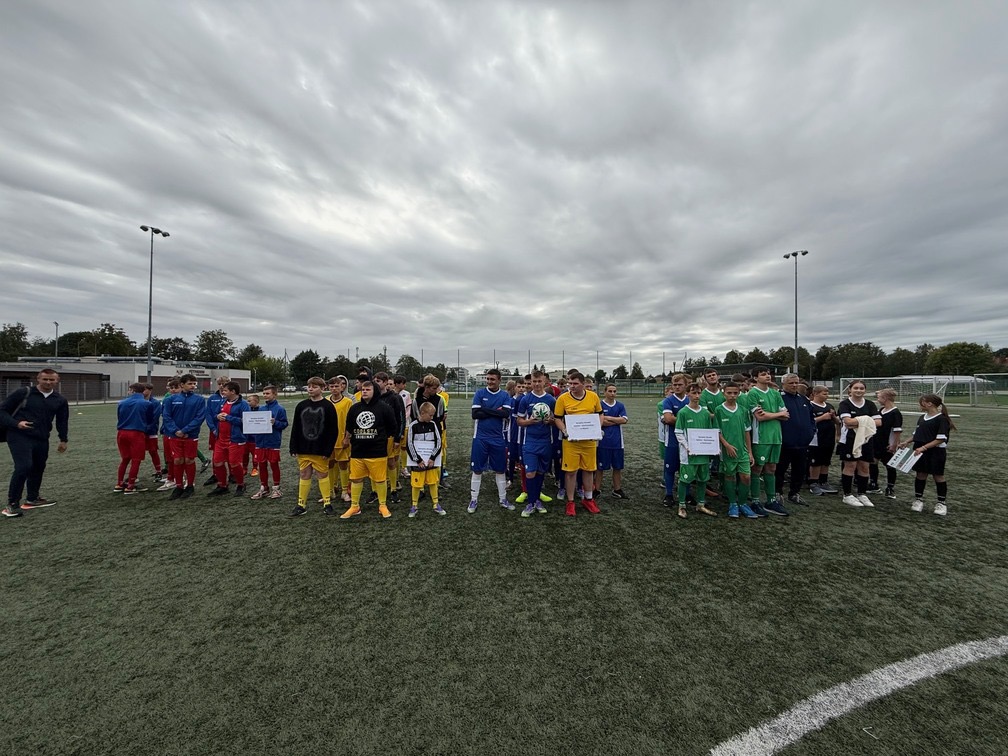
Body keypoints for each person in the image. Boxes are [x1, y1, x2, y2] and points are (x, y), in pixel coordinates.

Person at [1, 369, 69, 516]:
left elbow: (62, 421)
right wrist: (16, 423)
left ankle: (32, 498)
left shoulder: (60, 400)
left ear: (57, 381)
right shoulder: (23, 393)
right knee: (23, 466)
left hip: (42, 438)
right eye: (45, 379)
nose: (48, 382)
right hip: (19, 436)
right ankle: (12, 504)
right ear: (38, 379)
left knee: (38, 467)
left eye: (52, 380)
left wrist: (63, 439)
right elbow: (2, 411)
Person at [341, 379, 398, 519]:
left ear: (375, 391)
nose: (364, 391)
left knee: (380, 480)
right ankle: (355, 506)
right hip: (358, 451)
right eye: (363, 389)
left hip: (377, 451)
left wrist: (381, 438)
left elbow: (392, 427)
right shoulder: (354, 408)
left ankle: (382, 505)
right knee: (356, 479)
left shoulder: (384, 408)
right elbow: (349, 427)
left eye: (368, 389)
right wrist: (347, 439)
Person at [288, 377, 340, 517]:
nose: (310, 389)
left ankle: (327, 504)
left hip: (320, 448)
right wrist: (293, 446)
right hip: (304, 448)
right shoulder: (301, 405)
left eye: (314, 386)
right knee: (304, 474)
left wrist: (328, 449)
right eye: (309, 386)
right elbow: (296, 428)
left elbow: (333, 430)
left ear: (323, 389)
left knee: (322, 474)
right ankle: (301, 505)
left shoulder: (328, 406)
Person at [553, 371, 602, 516]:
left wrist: (598, 428)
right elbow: (557, 418)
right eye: (570, 383)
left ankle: (588, 499)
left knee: (588, 470)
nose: (571, 386)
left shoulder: (593, 396)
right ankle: (570, 502)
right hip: (571, 442)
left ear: (582, 383)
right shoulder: (562, 399)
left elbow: (600, 414)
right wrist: (564, 430)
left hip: (589, 441)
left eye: (575, 383)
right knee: (571, 472)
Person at [467, 368, 512, 514]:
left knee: (500, 469)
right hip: (480, 437)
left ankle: (503, 499)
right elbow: (475, 414)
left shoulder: (505, 395)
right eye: (488, 379)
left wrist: (485, 410)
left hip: (498, 438)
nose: (489, 382)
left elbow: (505, 413)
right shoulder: (480, 393)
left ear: (499, 380)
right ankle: (474, 499)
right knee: (477, 469)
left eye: (492, 379)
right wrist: (495, 412)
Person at [747, 367, 790, 516]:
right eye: (763, 374)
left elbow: (786, 416)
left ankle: (771, 501)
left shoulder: (775, 393)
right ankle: (755, 501)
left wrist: (771, 414)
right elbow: (760, 417)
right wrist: (779, 414)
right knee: (757, 469)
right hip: (761, 437)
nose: (767, 376)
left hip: (776, 437)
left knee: (771, 468)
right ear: (755, 378)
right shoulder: (752, 394)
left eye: (768, 373)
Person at [903, 393, 955, 516]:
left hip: (935, 452)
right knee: (920, 474)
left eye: (921, 402)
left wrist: (924, 447)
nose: (919, 405)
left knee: (938, 476)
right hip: (919, 451)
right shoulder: (922, 418)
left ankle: (941, 503)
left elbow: (941, 439)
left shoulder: (942, 419)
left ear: (929, 403)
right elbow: (917, 435)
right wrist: (906, 442)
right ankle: (918, 500)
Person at [515, 370, 557, 517]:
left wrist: (550, 421)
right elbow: (519, 421)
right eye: (534, 381)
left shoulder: (551, 400)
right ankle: (531, 503)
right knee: (530, 472)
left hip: (546, 441)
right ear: (531, 382)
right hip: (530, 442)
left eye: (539, 381)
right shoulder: (525, 400)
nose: (537, 384)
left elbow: (556, 420)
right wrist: (529, 421)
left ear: (545, 381)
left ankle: (537, 500)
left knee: (540, 472)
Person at [673, 382, 717, 519]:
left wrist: (713, 447)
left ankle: (700, 504)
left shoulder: (705, 413)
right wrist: (688, 447)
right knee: (685, 479)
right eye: (694, 393)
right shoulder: (683, 412)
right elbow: (678, 432)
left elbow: (710, 432)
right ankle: (681, 506)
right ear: (688, 394)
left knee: (703, 479)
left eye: (699, 393)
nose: (697, 396)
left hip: (703, 454)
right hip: (688, 454)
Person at [837, 379, 882, 508]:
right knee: (850, 466)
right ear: (850, 390)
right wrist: (866, 420)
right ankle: (847, 495)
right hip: (849, 440)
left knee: (864, 467)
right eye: (856, 388)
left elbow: (879, 422)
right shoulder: (845, 404)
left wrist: (858, 421)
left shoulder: (870, 404)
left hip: (866, 439)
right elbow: (847, 422)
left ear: (865, 390)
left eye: (861, 388)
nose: (859, 390)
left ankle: (862, 493)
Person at [160, 373, 206, 500]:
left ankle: (190, 486)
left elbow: (200, 417)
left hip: (191, 435)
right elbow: (166, 417)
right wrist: (176, 431)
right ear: (182, 385)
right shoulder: (170, 399)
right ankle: (178, 486)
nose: (193, 386)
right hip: (174, 435)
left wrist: (186, 430)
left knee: (189, 460)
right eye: (190, 383)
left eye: (194, 384)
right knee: (177, 460)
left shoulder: (199, 400)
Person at [715, 382, 757, 518]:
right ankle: (733, 504)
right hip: (728, 451)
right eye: (729, 393)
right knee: (730, 476)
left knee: (746, 477)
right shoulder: (719, 410)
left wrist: (750, 452)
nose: (732, 396)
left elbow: (747, 432)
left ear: (739, 393)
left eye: (735, 393)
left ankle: (743, 504)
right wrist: (726, 445)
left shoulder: (743, 410)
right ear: (724, 393)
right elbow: (717, 432)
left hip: (743, 451)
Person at [774, 373, 815, 509]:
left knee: (800, 470)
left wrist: (811, 431)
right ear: (783, 384)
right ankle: (777, 493)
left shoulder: (803, 399)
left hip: (802, 443)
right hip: (785, 443)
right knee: (780, 469)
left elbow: (811, 417)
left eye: (796, 382)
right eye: (791, 383)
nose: (794, 385)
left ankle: (794, 493)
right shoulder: (778, 398)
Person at [206, 381, 251, 498]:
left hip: (235, 439)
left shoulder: (243, 404)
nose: (222, 391)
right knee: (217, 462)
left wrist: (228, 418)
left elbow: (246, 421)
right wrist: (217, 416)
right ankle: (222, 486)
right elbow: (216, 415)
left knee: (234, 464)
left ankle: (241, 484)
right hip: (220, 439)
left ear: (233, 392)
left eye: (225, 390)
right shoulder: (223, 401)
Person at [405, 401, 445, 517]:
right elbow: (409, 444)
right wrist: (417, 460)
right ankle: (414, 505)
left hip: (431, 462)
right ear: (422, 413)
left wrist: (432, 458)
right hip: (418, 463)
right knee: (416, 484)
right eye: (430, 415)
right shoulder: (413, 425)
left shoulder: (433, 425)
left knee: (433, 482)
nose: (432, 417)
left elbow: (438, 442)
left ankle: (436, 504)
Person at [115, 383, 154, 494]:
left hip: (122, 433)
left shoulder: (121, 402)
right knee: (136, 460)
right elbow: (150, 419)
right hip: (137, 433)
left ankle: (119, 483)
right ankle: (131, 486)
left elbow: (119, 417)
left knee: (125, 459)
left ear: (132, 390)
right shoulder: (147, 403)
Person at [250, 385, 288, 500]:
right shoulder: (261, 408)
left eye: (268, 393)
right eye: (264, 393)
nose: (265, 395)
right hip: (260, 442)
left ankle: (276, 488)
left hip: (273, 441)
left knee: (274, 464)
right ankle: (264, 487)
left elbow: (284, 424)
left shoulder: (280, 409)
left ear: (274, 394)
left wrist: (275, 422)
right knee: (261, 465)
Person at [376, 372, 407, 504]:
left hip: (390, 436)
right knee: (377, 464)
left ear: (384, 382)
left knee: (391, 462)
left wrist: (398, 436)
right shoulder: (372, 397)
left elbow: (401, 418)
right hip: (375, 437)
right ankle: (375, 491)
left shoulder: (394, 398)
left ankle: (393, 489)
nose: (376, 383)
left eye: (378, 381)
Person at [660, 374, 689, 508]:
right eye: (674, 384)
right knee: (670, 469)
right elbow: (668, 419)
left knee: (687, 468)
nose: (677, 387)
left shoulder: (690, 400)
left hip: (689, 441)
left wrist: (676, 418)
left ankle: (686, 494)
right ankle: (669, 494)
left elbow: (672, 419)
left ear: (686, 385)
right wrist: (689, 419)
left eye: (680, 385)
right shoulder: (669, 401)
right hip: (671, 441)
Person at [596, 383, 628, 499]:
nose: (612, 393)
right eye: (610, 391)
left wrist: (608, 418)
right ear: (604, 392)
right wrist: (615, 420)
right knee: (600, 468)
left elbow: (624, 420)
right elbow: (599, 421)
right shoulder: (599, 405)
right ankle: (596, 489)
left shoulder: (620, 405)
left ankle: (617, 489)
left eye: (614, 391)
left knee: (617, 467)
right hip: (602, 442)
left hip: (618, 442)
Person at [325, 376, 354, 504]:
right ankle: (330, 491)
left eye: (337, 386)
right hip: (329, 440)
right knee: (329, 464)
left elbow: (351, 422)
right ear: (328, 388)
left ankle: (344, 491)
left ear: (342, 387)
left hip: (342, 439)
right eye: (332, 386)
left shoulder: (348, 402)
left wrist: (347, 437)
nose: (334, 388)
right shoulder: (325, 401)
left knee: (343, 464)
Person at [869, 388, 902, 499]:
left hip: (887, 443)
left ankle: (890, 488)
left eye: (879, 397)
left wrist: (894, 444)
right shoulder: (881, 410)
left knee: (890, 465)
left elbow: (897, 430)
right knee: (873, 462)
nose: (877, 399)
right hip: (877, 441)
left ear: (885, 398)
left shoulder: (895, 413)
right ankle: (874, 485)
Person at [807, 385, 840, 495]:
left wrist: (833, 417)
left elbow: (837, 422)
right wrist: (822, 417)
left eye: (827, 393)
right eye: (824, 393)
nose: (826, 395)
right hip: (816, 438)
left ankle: (823, 482)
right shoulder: (810, 405)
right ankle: (813, 483)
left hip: (829, 437)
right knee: (816, 461)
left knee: (826, 461)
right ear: (815, 394)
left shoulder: (829, 406)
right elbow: (808, 422)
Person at [203, 376, 229, 486]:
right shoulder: (212, 398)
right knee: (216, 453)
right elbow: (208, 415)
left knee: (230, 452)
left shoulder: (231, 398)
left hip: (228, 431)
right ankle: (215, 474)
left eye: (225, 383)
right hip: (215, 430)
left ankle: (232, 474)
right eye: (220, 384)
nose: (222, 386)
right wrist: (213, 428)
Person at [141, 384, 165, 483]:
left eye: (144, 389)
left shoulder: (155, 402)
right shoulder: (140, 402)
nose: (142, 392)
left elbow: (155, 418)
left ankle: (158, 472)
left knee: (153, 451)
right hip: (140, 431)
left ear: (150, 390)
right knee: (137, 453)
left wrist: (147, 428)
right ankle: (133, 476)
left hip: (151, 431)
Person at [244, 393, 260, 479]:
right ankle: (244, 468)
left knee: (255, 455)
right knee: (244, 454)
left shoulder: (261, 411)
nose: (248, 402)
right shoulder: (246, 410)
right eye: (247, 401)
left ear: (256, 401)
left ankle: (255, 468)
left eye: (249, 401)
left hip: (255, 438)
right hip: (246, 437)